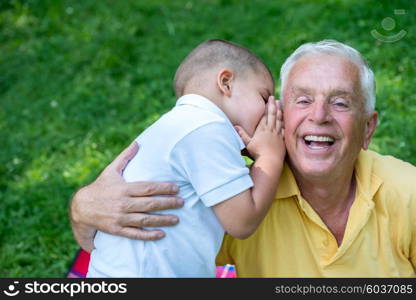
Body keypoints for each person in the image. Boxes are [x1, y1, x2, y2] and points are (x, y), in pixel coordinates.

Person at [70, 40, 416, 277]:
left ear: (367, 129)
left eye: (340, 103)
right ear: (280, 115)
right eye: (302, 100)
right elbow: (136, 237)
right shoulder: (238, 189)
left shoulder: (407, 193)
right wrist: (83, 207)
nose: (320, 115)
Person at [85, 39, 286, 277]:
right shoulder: (207, 128)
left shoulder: (183, 126)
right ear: (226, 82)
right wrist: (270, 155)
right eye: (264, 97)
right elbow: (242, 221)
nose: (270, 111)